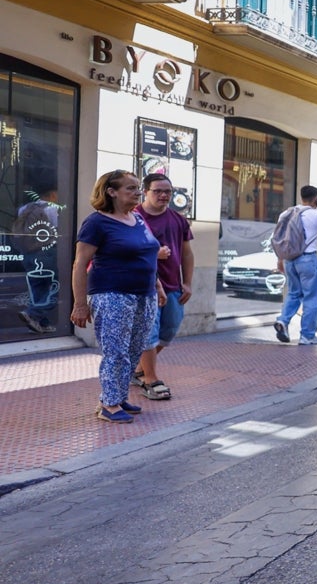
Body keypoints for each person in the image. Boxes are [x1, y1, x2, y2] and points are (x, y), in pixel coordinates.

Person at [70, 170, 165, 423]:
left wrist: (158, 286)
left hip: (144, 295)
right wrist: (80, 304)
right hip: (112, 295)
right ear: (111, 192)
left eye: (137, 188)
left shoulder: (137, 219)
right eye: (131, 188)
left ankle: (119, 397)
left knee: (134, 350)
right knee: (116, 352)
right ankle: (108, 405)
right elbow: (80, 264)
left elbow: (146, 254)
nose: (138, 192)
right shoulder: (97, 222)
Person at [132, 174, 194, 401]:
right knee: (150, 332)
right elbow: (122, 250)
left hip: (173, 286)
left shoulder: (178, 219)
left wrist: (187, 282)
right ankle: (151, 378)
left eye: (167, 191)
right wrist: (152, 253)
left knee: (169, 330)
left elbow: (187, 253)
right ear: (145, 191)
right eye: (157, 191)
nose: (164, 195)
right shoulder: (134, 217)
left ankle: (137, 367)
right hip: (144, 286)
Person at [273, 185, 317, 345]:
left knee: (293, 293)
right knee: (313, 297)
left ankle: (283, 320)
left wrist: (280, 259)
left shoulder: (286, 213)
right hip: (308, 260)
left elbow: (281, 237)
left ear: (302, 197)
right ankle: (307, 336)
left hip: (289, 259)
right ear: (316, 199)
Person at [16, 179, 61, 334]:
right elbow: (59, 232)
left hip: (28, 253)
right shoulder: (52, 209)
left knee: (38, 289)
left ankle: (42, 323)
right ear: (53, 194)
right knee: (58, 287)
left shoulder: (24, 209)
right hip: (46, 253)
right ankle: (33, 313)